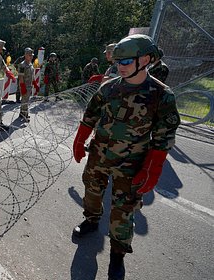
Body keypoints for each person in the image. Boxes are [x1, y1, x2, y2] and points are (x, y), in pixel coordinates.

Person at [72, 34, 180, 280]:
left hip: (131, 163)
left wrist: (153, 169)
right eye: (118, 62)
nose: (120, 66)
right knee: (91, 190)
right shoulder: (109, 87)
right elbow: (90, 115)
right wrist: (80, 141)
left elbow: (163, 138)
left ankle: (117, 255)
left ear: (145, 60)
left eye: (126, 62)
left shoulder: (161, 95)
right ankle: (91, 220)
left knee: (124, 210)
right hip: (99, 154)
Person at [17, 47, 39, 122]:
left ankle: (21, 113)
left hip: (29, 85)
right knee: (25, 101)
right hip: (24, 85)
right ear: (26, 55)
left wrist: (35, 83)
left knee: (25, 100)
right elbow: (20, 76)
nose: (31, 57)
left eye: (32, 55)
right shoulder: (22, 65)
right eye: (30, 55)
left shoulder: (30, 64)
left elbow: (32, 75)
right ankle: (25, 115)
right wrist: (22, 86)